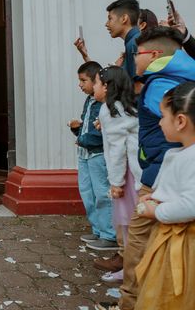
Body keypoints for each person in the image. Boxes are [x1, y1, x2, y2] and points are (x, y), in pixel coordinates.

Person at [114, 26, 195, 310]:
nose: (133, 60)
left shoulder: (162, 86)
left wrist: (155, 192)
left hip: (159, 176)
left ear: (155, 54)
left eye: (137, 54)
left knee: (137, 241)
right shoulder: (181, 76)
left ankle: (131, 301)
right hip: (162, 173)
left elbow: (167, 139)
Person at [134, 82, 195, 309]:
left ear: (180, 121)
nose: (159, 122)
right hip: (169, 237)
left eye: (163, 116)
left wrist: (156, 210)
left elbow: (191, 203)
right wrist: (154, 198)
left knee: (171, 296)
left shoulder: (191, 157)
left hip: (185, 243)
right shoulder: (179, 153)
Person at [92, 66, 142, 283]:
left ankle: (131, 269)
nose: (93, 87)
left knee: (129, 225)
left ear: (106, 87)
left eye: (95, 83)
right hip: (133, 171)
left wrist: (116, 182)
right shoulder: (123, 107)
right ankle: (131, 265)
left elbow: (118, 149)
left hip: (126, 174)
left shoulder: (109, 110)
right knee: (130, 224)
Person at [67, 61, 117, 251]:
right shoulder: (89, 100)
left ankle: (109, 235)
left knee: (102, 194)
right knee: (87, 193)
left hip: (97, 155)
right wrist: (77, 130)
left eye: (83, 80)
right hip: (84, 154)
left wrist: (84, 139)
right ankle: (97, 230)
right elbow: (88, 127)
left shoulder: (105, 104)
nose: (80, 85)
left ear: (97, 80)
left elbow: (101, 133)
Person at [73, 0, 140, 76]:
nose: (106, 24)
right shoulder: (133, 41)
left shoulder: (134, 44)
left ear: (124, 18)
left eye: (110, 18)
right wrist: (85, 55)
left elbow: (137, 84)